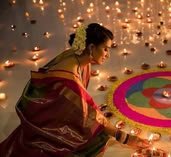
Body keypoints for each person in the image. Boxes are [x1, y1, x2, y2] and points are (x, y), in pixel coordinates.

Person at [0, 23, 150, 157]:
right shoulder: (70, 79)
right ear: (91, 47)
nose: (108, 55)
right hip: (47, 124)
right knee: (97, 138)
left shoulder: (75, 55)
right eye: (105, 49)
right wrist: (126, 138)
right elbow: (93, 116)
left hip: (48, 111)